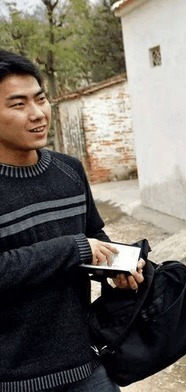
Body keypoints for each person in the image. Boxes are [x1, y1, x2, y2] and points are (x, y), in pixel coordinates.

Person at [0, 49, 144, 391]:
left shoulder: (68, 170)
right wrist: (75, 249)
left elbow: (93, 235)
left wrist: (116, 268)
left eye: (41, 99)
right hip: (12, 378)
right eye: (18, 104)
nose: (37, 114)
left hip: (86, 364)